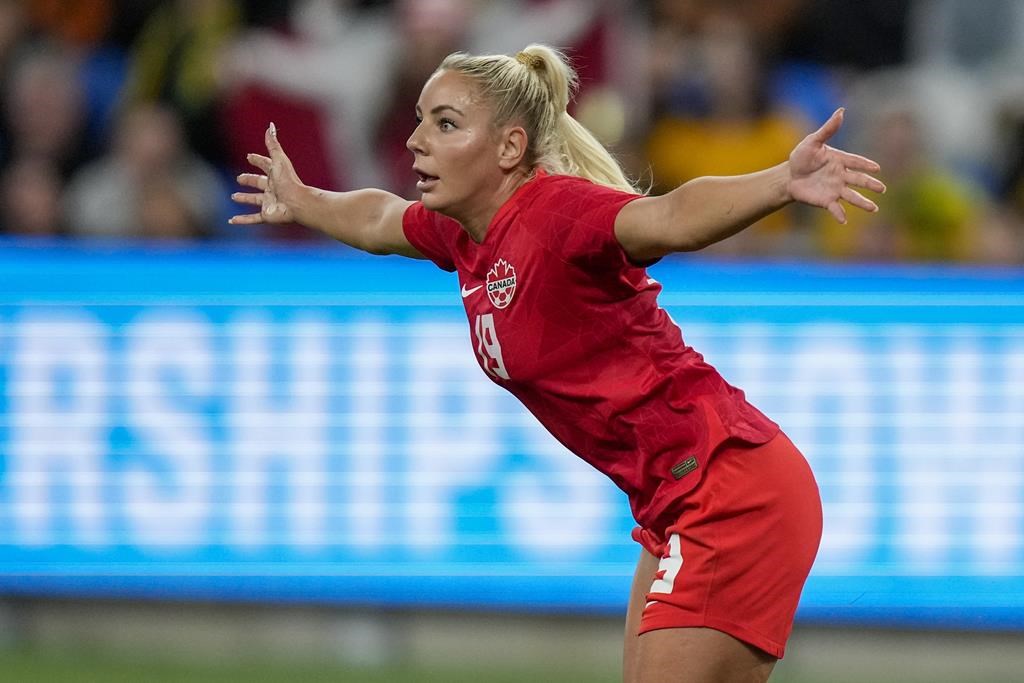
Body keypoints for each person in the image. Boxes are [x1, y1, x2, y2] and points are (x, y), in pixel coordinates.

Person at [230, 44, 884, 683]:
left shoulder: (554, 212)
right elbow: (379, 218)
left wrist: (781, 181)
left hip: (731, 491)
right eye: (422, 119)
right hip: (676, 501)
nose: (416, 140)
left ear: (510, 148)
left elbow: (671, 217)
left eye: (446, 123)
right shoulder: (465, 234)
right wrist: (303, 198)